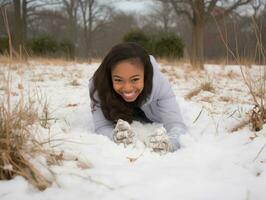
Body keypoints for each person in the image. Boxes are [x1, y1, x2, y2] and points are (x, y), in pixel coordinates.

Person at [89, 42, 187, 152]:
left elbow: (176, 125)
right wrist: (116, 138)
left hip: (151, 116)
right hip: (120, 111)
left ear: (146, 75)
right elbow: (102, 126)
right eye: (118, 80)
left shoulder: (160, 84)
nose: (127, 88)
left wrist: (169, 144)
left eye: (135, 79)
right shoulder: (99, 86)